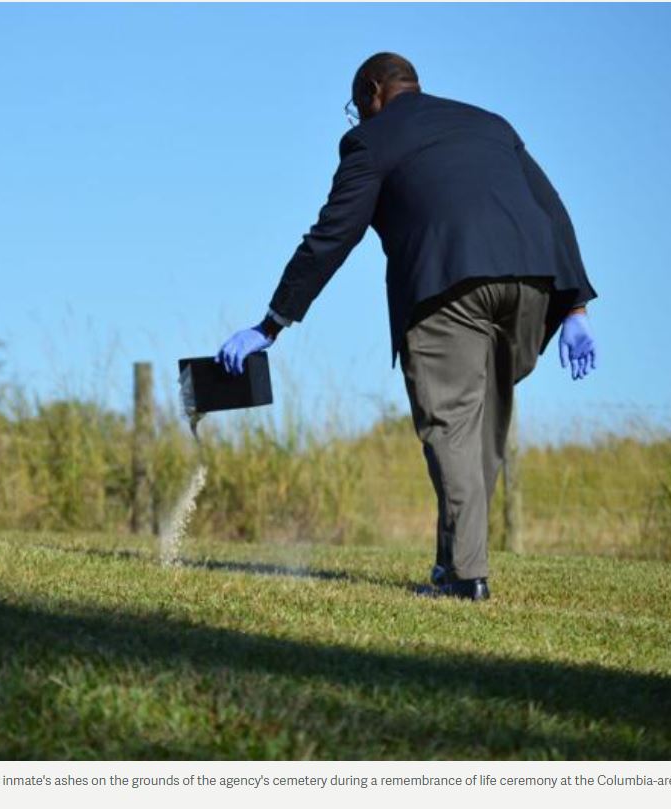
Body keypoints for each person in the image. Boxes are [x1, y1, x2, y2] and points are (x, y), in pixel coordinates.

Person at [215, 52, 599, 601]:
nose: (359, 118)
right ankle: (453, 564)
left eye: (358, 107)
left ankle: (467, 579)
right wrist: (577, 306)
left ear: (373, 91)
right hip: (533, 283)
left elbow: (333, 234)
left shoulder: (371, 141)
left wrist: (271, 323)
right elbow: (552, 207)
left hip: (448, 283)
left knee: (451, 427)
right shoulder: (490, 123)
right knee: (482, 431)